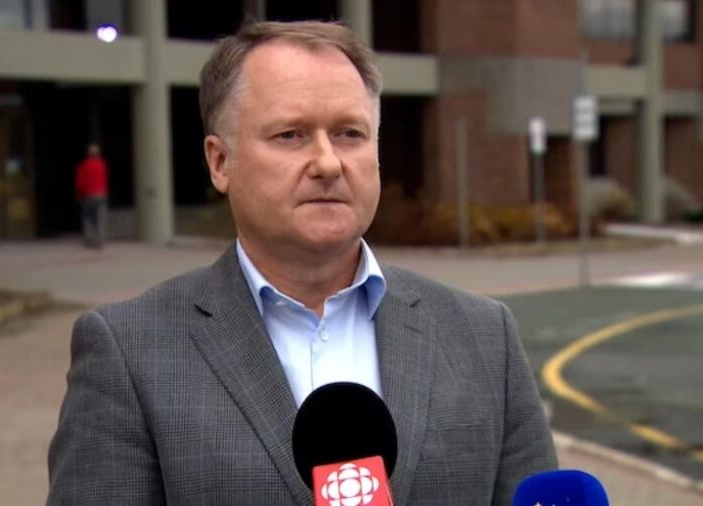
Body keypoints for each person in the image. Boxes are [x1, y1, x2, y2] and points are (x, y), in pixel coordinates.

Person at [48, 21, 557, 505]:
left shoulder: (485, 337)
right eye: (291, 135)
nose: (328, 163)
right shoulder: (130, 352)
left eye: (350, 134)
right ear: (220, 161)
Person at [74, 143, 109, 248]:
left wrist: (79, 194)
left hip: (88, 195)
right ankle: (100, 240)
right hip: (101, 194)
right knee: (100, 217)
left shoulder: (84, 165)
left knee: (87, 218)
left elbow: (80, 182)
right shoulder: (102, 164)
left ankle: (89, 239)